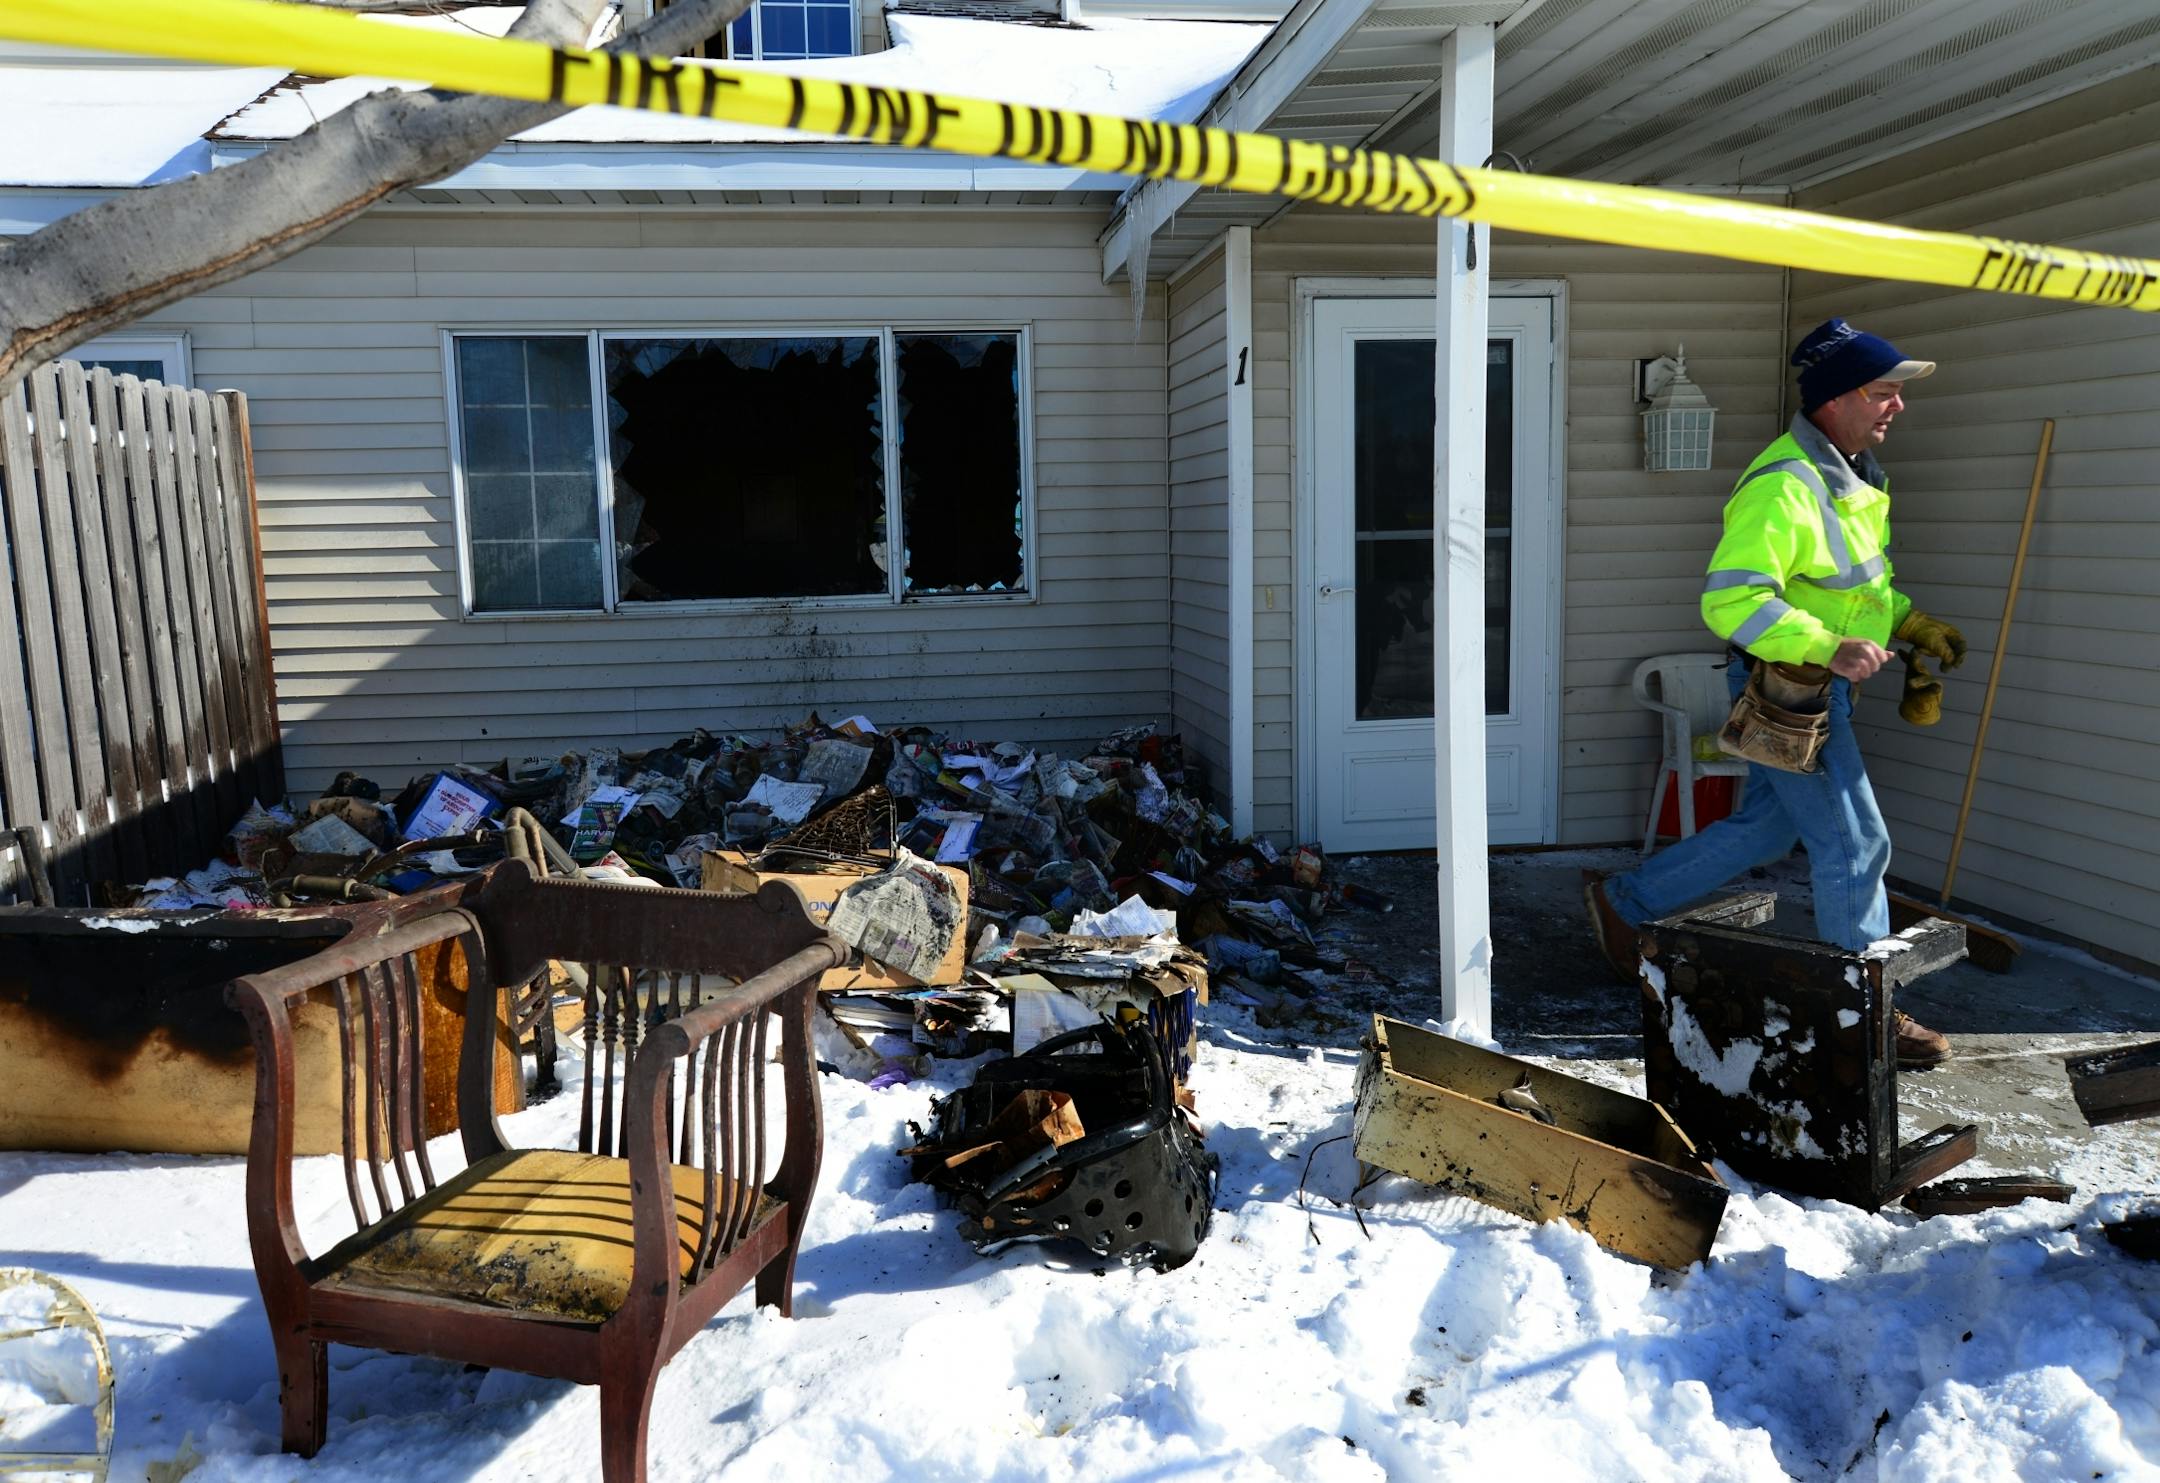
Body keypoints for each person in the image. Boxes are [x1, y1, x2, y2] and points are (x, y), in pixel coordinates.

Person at [1585, 318, 1968, 1066]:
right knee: (1858, 845)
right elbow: (1732, 603)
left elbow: (1850, 589)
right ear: (1836, 398)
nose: (1898, 407)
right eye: (1883, 392)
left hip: (1821, 685)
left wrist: (1908, 621)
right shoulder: (1784, 484)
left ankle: (1622, 903)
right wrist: (1828, 647)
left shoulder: (1852, 476)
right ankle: (1865, 1014)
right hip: (1792, 690)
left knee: (1766, 829)